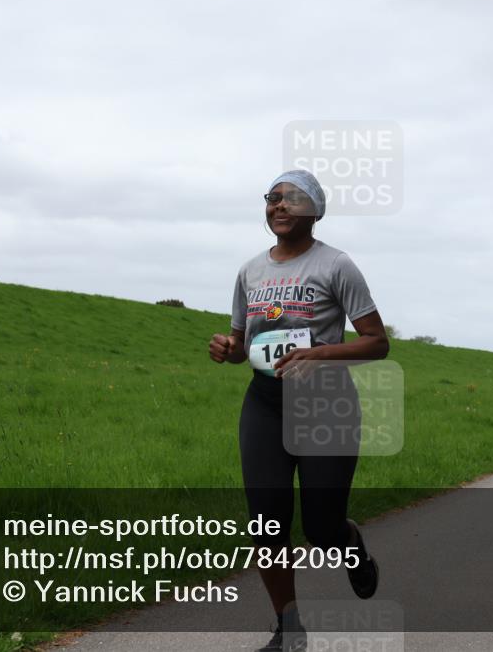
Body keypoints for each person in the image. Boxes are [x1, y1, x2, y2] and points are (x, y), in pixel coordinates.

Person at [209, 170, 389, 652]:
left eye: (291, 198)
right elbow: (242, 344)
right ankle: (289, 628)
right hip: (265, 404)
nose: (279, 205)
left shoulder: (336, 265)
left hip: (326, 404)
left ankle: (350, 546)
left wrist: (320, 354)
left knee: (321, 529)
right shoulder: (250, 271)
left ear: (315, 210)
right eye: (272, 198)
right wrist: (227, 349)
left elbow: (377, 343)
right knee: (267, 522)